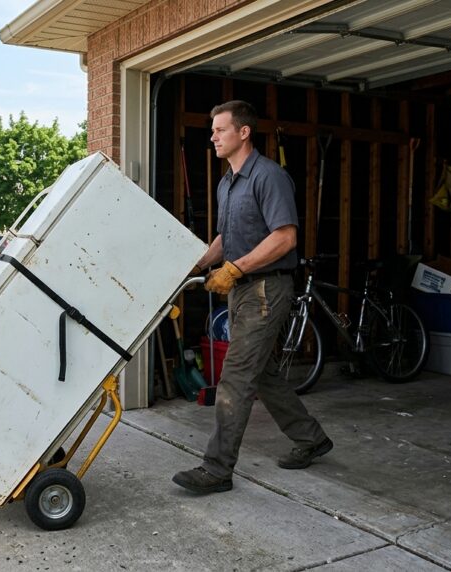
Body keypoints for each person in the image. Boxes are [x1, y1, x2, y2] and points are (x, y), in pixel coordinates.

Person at [173, 100, 332, 495]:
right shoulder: (228, 182)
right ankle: (311, 438)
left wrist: (235, 269)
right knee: (264, 375)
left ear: (243, 132)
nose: (212, 137)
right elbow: (226, 238)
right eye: (212, 130)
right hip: (242, 290)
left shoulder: (269, 177)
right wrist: (195, 266)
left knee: (236, 377)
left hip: (265, 289)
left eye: (220, 130)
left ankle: (217, 469)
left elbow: (284, 237)